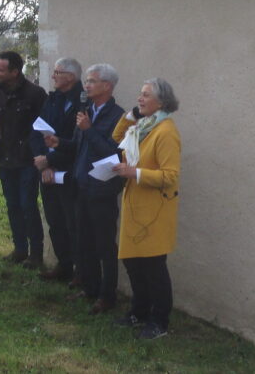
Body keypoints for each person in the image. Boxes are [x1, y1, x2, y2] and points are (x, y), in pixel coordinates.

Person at [45, 63, 124, 314]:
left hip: (102, 190)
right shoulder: (86, 111)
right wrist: (59, 143)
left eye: (91, 81)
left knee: (104, 245)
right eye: (87, 80)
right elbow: (79, 147)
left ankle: (107, 296)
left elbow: (113, 154)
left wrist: (88, 130)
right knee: (84, 241)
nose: (86, 85)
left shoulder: (119, 117)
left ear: (107, 86)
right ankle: (90, 287)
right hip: (81, 186)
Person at [112, 78, 182, 340]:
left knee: (153, 266)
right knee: (132, 262)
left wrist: (134, 172)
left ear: (161, 102)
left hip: (154, 210)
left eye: (145, 95)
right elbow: (116, 136)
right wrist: (131, 114)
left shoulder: (166, 131)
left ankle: (159, 321)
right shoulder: (142, 126)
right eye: (140, 94)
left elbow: (170, 176)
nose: (140, 99)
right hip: (134, 206)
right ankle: (139, 312)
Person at [0, 50, 47, 267]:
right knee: (12, 204)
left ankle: (36, 253)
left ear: (15, 72)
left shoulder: (35, 94)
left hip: (27, 160)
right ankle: (19, 249)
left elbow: (42, 127)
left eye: (1, 69)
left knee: (28, 205)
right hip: (5, 157)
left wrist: (38, 153)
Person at [31, 57, 84, 282]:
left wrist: (50, 160)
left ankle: (80, 272)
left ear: (70, 77)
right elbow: (37, 131)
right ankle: (64, 265)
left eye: (57, 72)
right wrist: (43, 161)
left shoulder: (82, 103)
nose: (53, 76)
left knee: (73, 224)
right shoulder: (52, 99)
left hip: (69, 172)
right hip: (47, 169)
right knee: (55, 222)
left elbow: (78, 142)